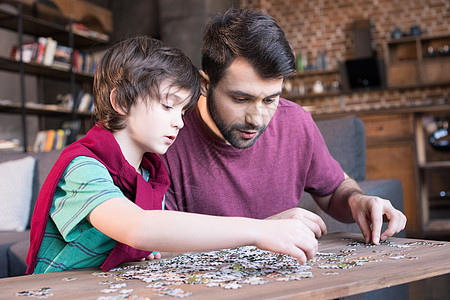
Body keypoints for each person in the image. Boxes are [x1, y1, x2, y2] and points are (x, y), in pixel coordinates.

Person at [26, 36, 321, 274]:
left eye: (183, 111)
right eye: (168, 106)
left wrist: (266, 227)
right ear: (120, 101)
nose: (179, 122)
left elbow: (163, 244)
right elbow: (138, 227)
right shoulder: (83, 169)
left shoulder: (149, 173)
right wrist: (257, 230)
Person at [162, 8, 407, 256]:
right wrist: (260, 231)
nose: (256, 119)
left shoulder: (295, 122)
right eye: (241, 99)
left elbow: (333, 191)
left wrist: (357, 200)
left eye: (270, 100)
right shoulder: (167, 135)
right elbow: (158, 244)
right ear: (205, 84)